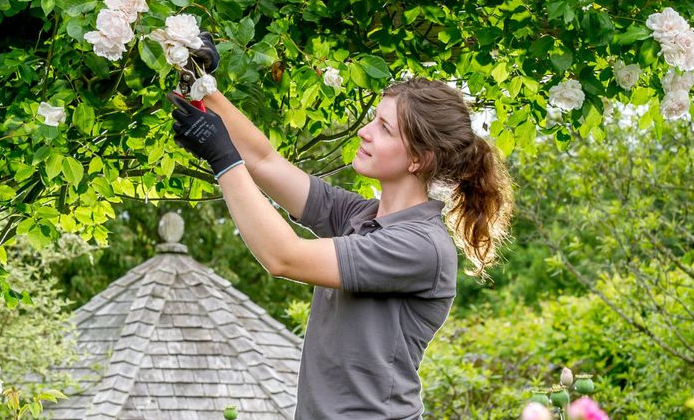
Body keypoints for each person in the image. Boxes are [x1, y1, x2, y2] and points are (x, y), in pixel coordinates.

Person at [168, 34, 514, 420]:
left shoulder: (420, 247)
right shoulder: (362, 218)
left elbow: (284, 257)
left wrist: (222, 159)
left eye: (384, 128)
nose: (365, 132)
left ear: (418, 158)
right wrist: (201, 81)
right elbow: (264, 161)